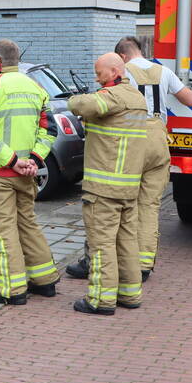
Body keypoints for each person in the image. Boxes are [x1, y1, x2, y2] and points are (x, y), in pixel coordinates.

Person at [68, 36, 192, 283]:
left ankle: (95, 261)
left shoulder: (122, 75)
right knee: (149, 205)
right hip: (159, 139)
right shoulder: (163, 70)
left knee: (111, 198)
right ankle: (144, 264)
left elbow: (101, 105)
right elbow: (190, 100)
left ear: (122, 58)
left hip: (131, 138)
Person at [0, 39, 60, 305]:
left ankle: (12, 290)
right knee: (28, 225)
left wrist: (11, 161)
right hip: (27, 174)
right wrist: (33, 159)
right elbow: (50, 131)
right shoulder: (36, 86)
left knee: (3, 230)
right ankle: (44, 282)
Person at [66, 52, 148, 315]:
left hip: (103, 188)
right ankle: (130, 294)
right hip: (128, 186)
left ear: (115, 72)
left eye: (100, 73)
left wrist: (71, 99)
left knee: (101, 245)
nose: (97, 78)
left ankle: (100, 300)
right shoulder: (137, 97)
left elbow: (85, 106)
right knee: (126, 242)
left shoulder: (111, 97)